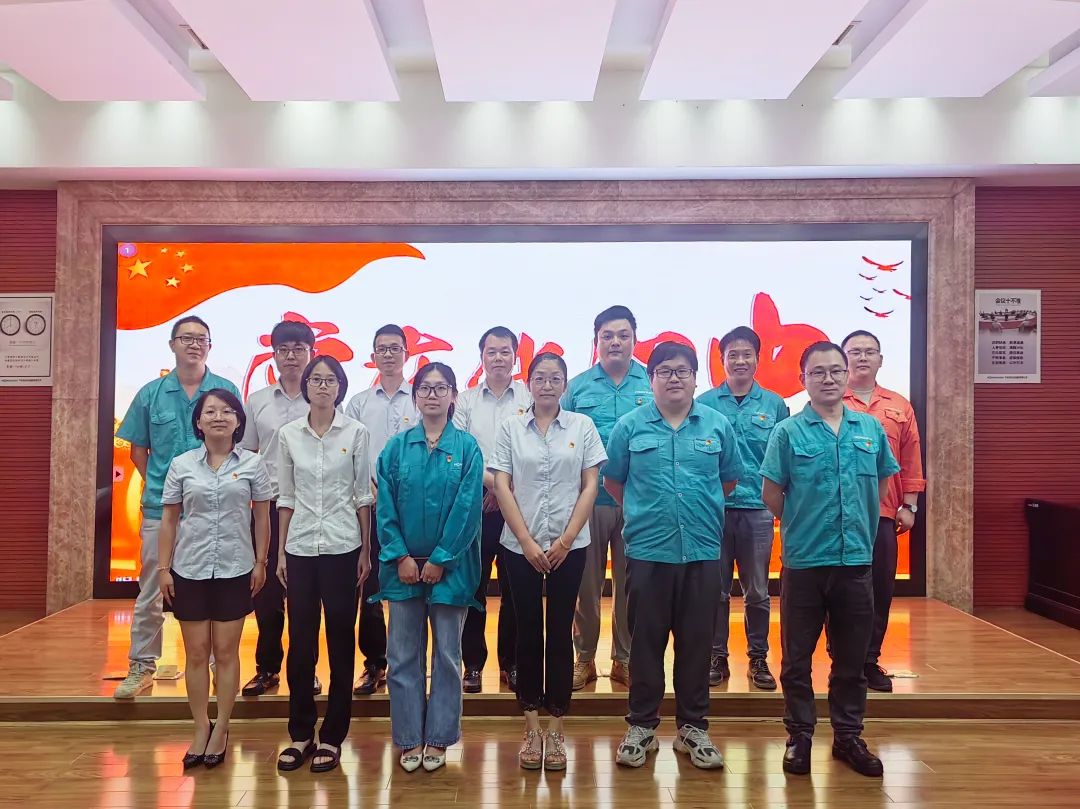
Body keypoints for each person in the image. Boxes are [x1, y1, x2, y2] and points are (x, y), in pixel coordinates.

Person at [760, 341, 899, 778]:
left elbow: (880, 486)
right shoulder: (787, 433)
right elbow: (771, 492)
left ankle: (848, 736)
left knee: (852, 659)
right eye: (818, 372)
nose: (829, 379)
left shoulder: (869, 429)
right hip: (804, 561)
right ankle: (800, 736)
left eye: (836, 370)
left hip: (855, 561)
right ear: (803, 379)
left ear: (847, 375)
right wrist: (802, 523)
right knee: (796, 659)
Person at [604, 342, 741, 770]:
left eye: (683, 370)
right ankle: (642, 726)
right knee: (645, 643)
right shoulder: (629, 426)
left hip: (702, 549)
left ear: (696, 378)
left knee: (697, 642)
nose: (674, 378)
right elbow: (614, 482)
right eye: (664, 371)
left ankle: (692, 728)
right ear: (651, 380)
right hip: (648, 550)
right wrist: (648, 513)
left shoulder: (717, 425)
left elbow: (728, 481)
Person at [490, 353, 606, 770]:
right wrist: (525, 540)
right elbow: (501, 484)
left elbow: (591, 485)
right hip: (519, 546)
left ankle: (556, 727)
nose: (547, 385)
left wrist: (566, 540)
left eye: (555, 378)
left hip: (569, 547)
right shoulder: (510, 428)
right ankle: (531, 726)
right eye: (539, 378)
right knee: (526, 633)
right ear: (529, 383)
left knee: (559, 633)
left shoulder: (582, 426)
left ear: (564, 385)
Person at [113, 316, 240, 699]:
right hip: (160, 511)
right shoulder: (151, 394)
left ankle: (218, 667)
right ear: (172, 344)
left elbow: (236, 446)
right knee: (152, 589)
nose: (194, 344)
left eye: (202, 338)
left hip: (213, 512)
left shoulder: (225, 390)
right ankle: (141, 666)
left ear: (210, 346)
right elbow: (138, 450)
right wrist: (166, 487)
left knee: (214, 589)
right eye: (186, 338)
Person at [374, 363, 483, 773]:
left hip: (451, 569)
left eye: (441, 388)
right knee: (402, 655)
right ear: (415, 396)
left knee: (448, 655)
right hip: (401, 568)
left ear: (453, 395)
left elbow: (468, 507)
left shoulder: (467, 448)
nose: (432, 394)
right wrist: (400, 556)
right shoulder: (396, 448)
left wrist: (441, 558)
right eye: (425, 388)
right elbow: (385, 506)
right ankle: (408, 738)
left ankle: (438, 736)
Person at [158, 388, 272, 769]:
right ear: (199, 421)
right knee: (195, 653)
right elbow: (169, 519)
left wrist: (260, 561)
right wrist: (163, 569)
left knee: (225, 652)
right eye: (210, 411)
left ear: (239, 421)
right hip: (189, 569)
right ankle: (200, 726)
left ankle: (222, 726)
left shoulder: (253, 464)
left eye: (227, 411)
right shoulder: (182, 465)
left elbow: (262, 517)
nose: (219, 417)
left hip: (235, 568)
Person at [275, 357, 373, 774]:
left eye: (330, 380)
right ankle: (300, 733)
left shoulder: (356, 432)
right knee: (300, 642)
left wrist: (366, 551)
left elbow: (362, 496)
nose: (322, 386)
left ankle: (332, 735)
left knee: (340, 639)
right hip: (299, 546)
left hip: (343, 546)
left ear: (340, 387)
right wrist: (281, 552)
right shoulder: (288, 435)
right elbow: (285, 496)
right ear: (306, 386)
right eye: (315, 379)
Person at [562, 305, 653, 690]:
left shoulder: (650, 382)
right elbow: (561, 438)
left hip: (638, 501)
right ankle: (584, 659)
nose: (615, 342)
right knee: (586, 586)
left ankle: (624, 659)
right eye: (607, 336)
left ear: (634, 339)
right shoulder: (578, 387)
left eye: (623, 335)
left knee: (633, 585)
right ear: (596, 340)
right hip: (590, 500)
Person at [697, 326, 789, 690]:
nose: (739, 361)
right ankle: (716, 655)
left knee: (758, 591)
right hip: (714, 510)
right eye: (732, 355)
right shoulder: (704, 403)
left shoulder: (774, 404)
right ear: (721, 360)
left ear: (757, 359)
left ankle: (758, 657)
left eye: (746, 354)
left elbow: (782, 459)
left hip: (757, 510)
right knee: (715, 590)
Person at [239, 320, 322, 698]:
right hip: (268, 508)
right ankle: (267, 668)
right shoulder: (258, 401)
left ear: (311, 353)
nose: (291, 356)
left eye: (299, 349)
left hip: (310, 508)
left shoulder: (323, 399)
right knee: (267, 592)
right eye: (284, 349)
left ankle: (307, 670)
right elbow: (247, 454)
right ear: (274, 355)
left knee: (307, 595)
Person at [841, 330, 926, 693]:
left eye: (869, 351)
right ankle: (842, 656)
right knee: (839, 589)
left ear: (880, 359)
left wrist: (910, 504)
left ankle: (868, 659)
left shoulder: (899, 405)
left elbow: (910, 457)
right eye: (855, 351)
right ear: (843, 359)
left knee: (879, 588)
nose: (862, 357)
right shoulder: (829, 401)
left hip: (884, 513)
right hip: (839, 514)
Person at [453, 326, 530, 693]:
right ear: (481, 356)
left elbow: (539, 449)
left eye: (505, 351)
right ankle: (473, 664)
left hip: (520, 510)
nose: (498, 358)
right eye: (491, 352)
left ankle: (511, 664)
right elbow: (462, 451)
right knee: (474, 588)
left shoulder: (530, 396)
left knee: (516, 590)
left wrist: (506, 492)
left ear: (515, 356)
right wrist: (496, 487)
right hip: (478, 509)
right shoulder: (466, 402)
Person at [344, 324, 420, 696]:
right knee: (371, 587)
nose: (388, 354)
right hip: (371, 506)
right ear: (373, 356)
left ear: (406, 353)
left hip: (415, 509)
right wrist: (370, 486)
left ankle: (412, 663)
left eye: (394, 348)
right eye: (381, 349)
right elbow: (350, 453)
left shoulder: (419, 398)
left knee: (415, 586)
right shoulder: (359, 403)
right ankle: (374, 664)